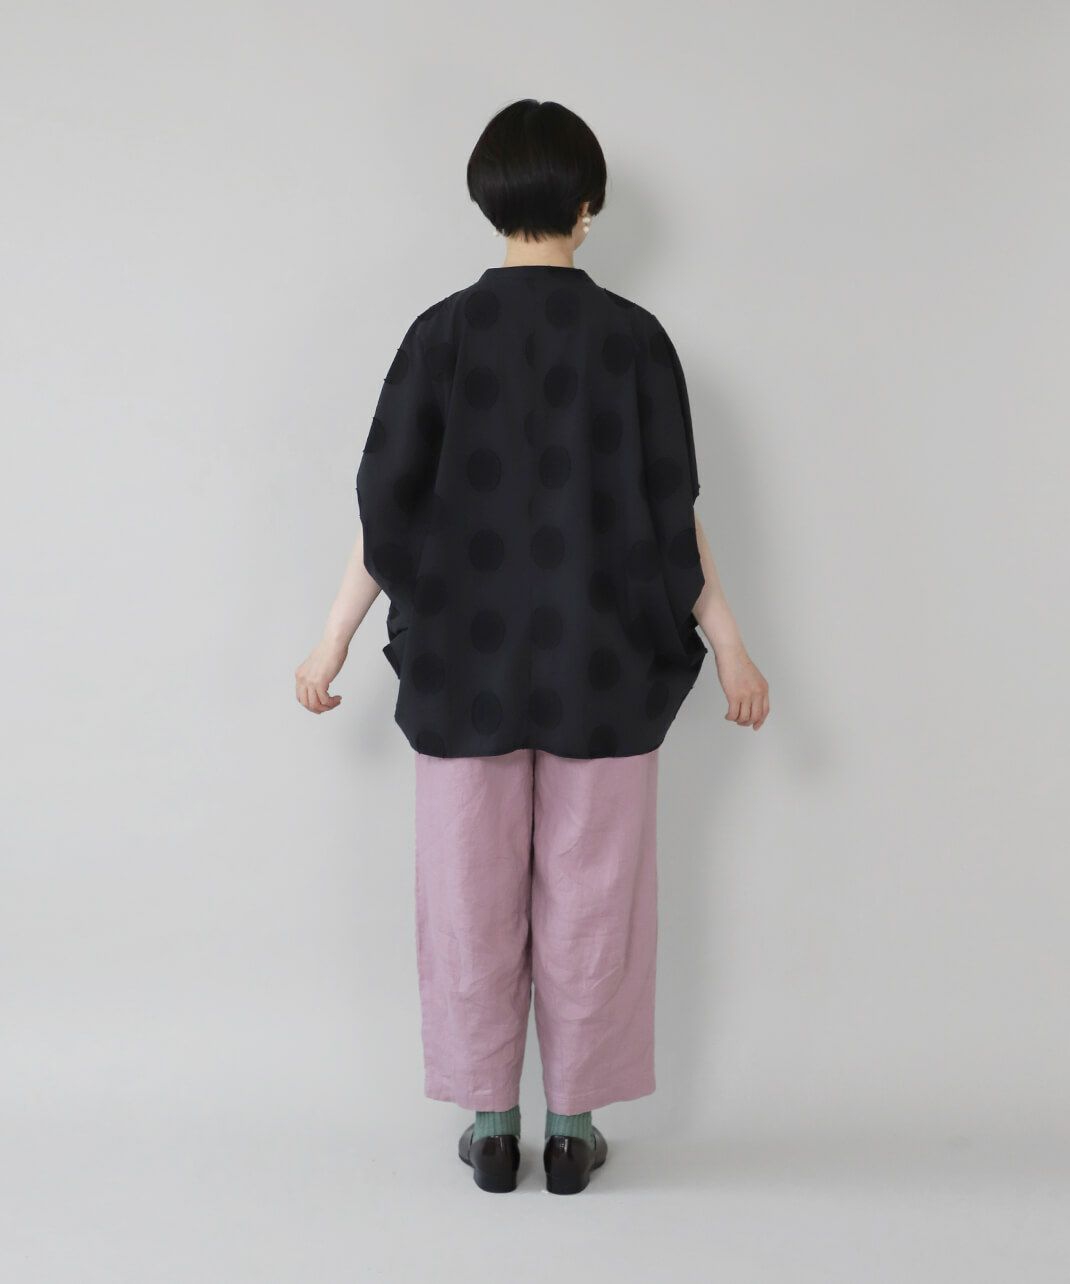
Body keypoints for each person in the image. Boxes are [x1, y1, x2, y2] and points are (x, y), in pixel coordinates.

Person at [295, 99, 769, 1194]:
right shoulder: (635, 341)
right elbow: (673, 518)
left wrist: (329, 645)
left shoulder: (438, 336)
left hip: (464, 674)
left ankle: (489, 1124)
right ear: (587, 206)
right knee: (595, 898)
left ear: (487, 200)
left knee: (467, 897)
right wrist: (732, 648)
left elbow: (387, 517)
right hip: (603, 674)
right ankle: (570, 1129)